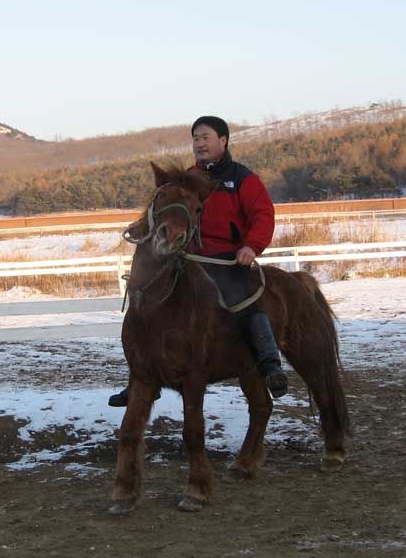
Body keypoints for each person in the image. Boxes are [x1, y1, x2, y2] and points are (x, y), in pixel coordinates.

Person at [108, 115, 289, 407]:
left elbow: (263, 215)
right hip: (188, 257)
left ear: (223, 141)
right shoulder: (186, 179)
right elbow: (165, 213)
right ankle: (141, 379)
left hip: (228, 260)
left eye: (205, 137)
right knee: (150, 304)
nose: (199, 143)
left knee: (244, 300)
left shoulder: (243, 179)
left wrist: (251, 247)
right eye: (195, 138)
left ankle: (270, 365)